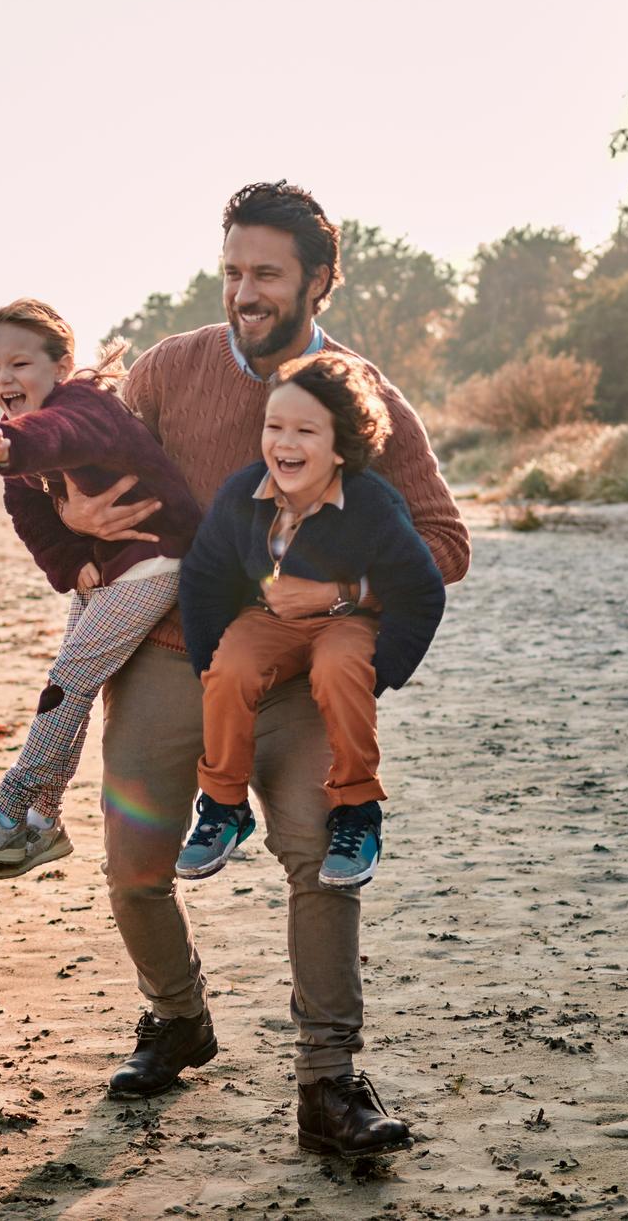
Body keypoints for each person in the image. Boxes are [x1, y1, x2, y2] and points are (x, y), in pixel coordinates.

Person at [53, 180, 470, 1156]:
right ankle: (177, 1015)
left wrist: (335, 597)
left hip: (299, 673)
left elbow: (444, 538)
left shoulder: (363, 397)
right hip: (166, 657)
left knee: (320, 859)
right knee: (133, 866)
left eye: (267, 273)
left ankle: (330, 1084)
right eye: (232, 269)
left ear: (319, 280)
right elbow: (85, 479)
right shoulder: (164, 370)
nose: (244, 290)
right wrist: (72, 517)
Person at [0, 298, 203, 875]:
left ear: (62, 366)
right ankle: (41, 825)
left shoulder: (85, 407)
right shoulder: (19, 435)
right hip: (109, 565)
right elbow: (30, 515)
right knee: (69, 683)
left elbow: (59, 433)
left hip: (160, 556)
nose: (3, 379)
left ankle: (10, 806)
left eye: (19, 364)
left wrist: (9, 447)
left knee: (69, 679)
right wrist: (71, 562)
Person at [175, 352, 445, 890]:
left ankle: (357, 807)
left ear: (342, 444)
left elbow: (420, 588)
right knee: (231, 669)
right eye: (274, 427)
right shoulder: (241, 495)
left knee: (342, 666)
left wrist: (381, 671)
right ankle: (225, 804)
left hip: (344, 621)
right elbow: (203, 576)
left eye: (305, 430)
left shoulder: (371, 504)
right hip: (268, 619)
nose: (285, 443)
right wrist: (209, 661)